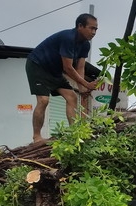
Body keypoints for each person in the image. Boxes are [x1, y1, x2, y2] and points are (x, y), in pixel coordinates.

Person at [25, 13, 99, 143]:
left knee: (72, 97)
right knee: (43, 100)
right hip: (38, 66)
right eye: (91, 28)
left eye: (95, 29)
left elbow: (80, 67)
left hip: (54, 71)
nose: (93, 32)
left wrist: (82, 88)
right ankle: (37, 137)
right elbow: (68, 68)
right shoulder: (68, 38)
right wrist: (87, 84)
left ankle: (75, 133)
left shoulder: (85, 45)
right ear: (80, 26)